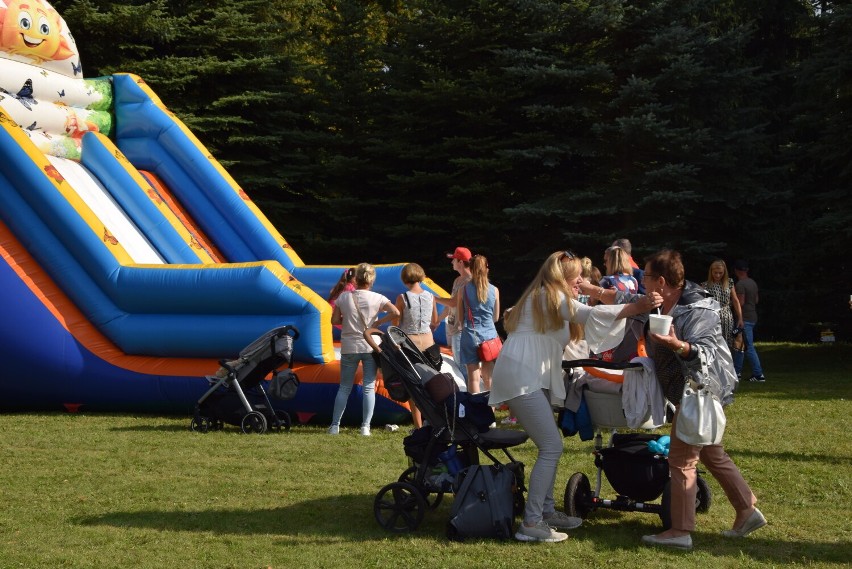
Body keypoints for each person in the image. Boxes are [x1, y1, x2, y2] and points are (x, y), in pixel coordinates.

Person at [490, 251, 662, 543]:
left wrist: (619, 299)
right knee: (551, 446)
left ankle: (544, 511)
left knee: (550, 445)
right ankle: (531, 523)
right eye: (575, 280)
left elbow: (591, 311)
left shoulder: (547, 296)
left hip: (528, 374)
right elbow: (590, 315)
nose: (578, 285)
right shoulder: (549, 296)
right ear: (561, 278)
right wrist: (638, 306)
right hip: (523, 377)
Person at [614, 250, 764, 551]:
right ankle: (747, 509)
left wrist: (676, 344)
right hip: (689, 392)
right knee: (711, 452)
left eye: (645, 276)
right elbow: (621, 302)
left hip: (699, 391)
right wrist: (591, 291)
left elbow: (704, 352)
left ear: (661, 281)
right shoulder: (660, 303)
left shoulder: (696, 307)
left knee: (681, 460)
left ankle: (680, 530)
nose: (641, 281)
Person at [329, 263, 400, 436]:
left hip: (349, 346)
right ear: (371, 279)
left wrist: (347, 321)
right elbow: (396, 312)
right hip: (371, 345)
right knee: (369, 387)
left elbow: (334, 320)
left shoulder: (343, 298)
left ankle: (334, 426)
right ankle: (365, 427)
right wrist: (378, 323)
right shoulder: (378, 297)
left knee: (344, 387)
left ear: (356, 278)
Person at [394, 262, 439, 429]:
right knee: (430, 382)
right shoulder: (430, 296)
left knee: (413, 384)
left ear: (405, 278)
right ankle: (433, 420)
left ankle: (418, 425)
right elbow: (434, 321)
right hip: (428, 341)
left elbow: (396, 323)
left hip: (410, 342)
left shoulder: (402, 297)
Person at [457, 254, 500, 394]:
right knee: (489, 377)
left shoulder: (463, 290)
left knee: (473, 378)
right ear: (486, 269)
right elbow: (496, 317)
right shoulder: (495, 290)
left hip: (470, 334)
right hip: (489, 337)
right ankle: (491, 410)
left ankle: (476, 411)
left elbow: (460, 317)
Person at [434, 247, 472, 381]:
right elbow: (450, 304)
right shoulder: (458, 280)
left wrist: (433, 298)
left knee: (462, 365)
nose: (452, 263)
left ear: (460, 262)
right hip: (452, 325)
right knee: (457, 362)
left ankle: (469, 394)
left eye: (453, 260)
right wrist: (438, 320)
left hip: (462, 328)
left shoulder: (470, 281)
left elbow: (453, 302)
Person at [733, 260, 766, 382]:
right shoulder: (752, 282)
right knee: (740, 346)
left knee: (748, 346)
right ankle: (737, 372)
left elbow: (740, 302)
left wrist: (732, 303)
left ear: (736, 271)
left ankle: (758, 374)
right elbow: (756, 300)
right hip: (753, 316)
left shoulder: (740, 284)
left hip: (744, 318)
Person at [701, 260, 744, 352]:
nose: (717, 275)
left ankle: (728, 365)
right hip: (712, 317)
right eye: (715, 273)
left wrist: (740, 318)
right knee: (713, 343)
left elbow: (735, 300)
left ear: (724, 272)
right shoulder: (705, 285)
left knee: (728, 344)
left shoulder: (729, 282)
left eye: (720, 273)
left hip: (727, 316)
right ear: (711, 272)